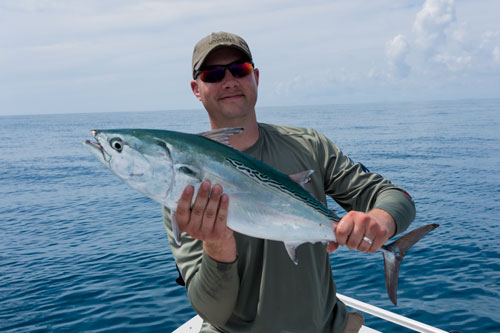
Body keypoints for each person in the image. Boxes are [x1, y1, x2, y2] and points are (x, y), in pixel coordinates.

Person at [163, 32, 416, 332]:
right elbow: (214, 312)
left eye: (240, 69)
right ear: (196, 89)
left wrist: (380, 222)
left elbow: (396, 198)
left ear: (255, 76)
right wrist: (217, 245)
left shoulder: (309, 146)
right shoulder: (184, 190)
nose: (229, 80)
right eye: (213, 74)